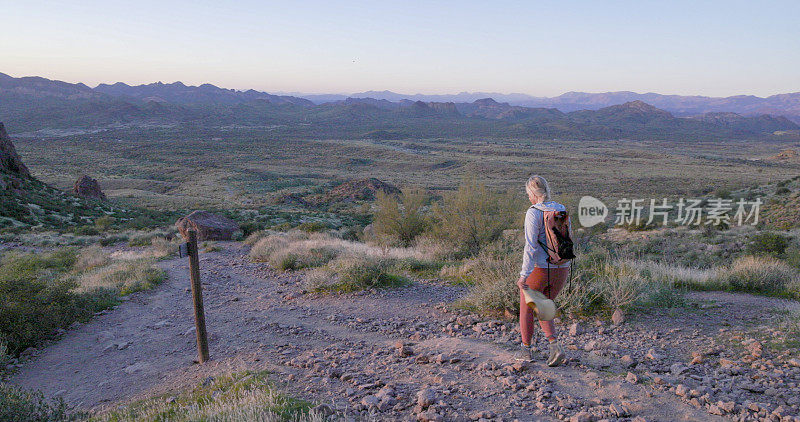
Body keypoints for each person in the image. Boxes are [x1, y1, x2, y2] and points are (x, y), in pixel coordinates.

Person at [515, 175, 569, 366]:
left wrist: (523, 275)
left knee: (527, 306)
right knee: (544, 305)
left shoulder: (533, 212)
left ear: (532, 193)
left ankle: (525, 350)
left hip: (540, 268)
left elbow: (530, 247)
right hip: (561, 268)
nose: (528, 197)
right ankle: (554, 347)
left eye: (528, 194)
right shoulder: (561, 208)